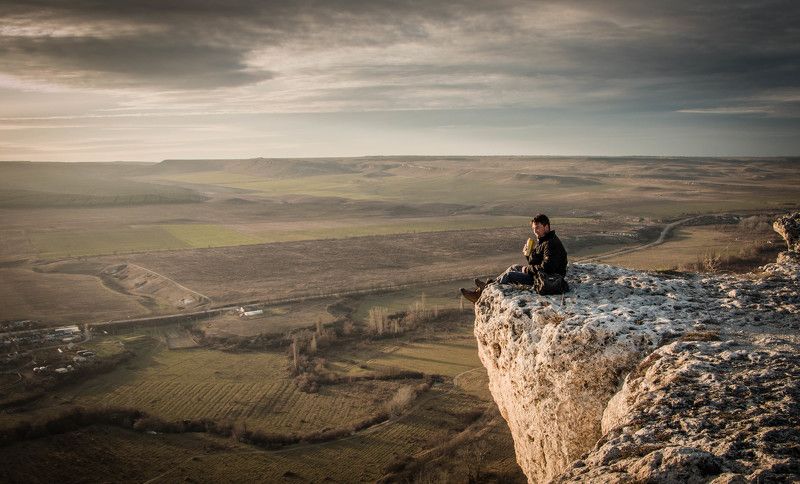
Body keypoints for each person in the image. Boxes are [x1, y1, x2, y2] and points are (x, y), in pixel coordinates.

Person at [460, 214, 568, 303]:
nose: (535, 231)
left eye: (538, 228)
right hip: (541, 274)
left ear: (546, 226)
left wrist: (527, 270)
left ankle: (482, 294)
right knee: (514, 267)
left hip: (548, 279)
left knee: (510, 275)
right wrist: (528, 254)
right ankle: (487, 287)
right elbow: (534, 262)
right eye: (534, 229)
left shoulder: (550, 243)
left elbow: (548, 268)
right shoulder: (543, 240)